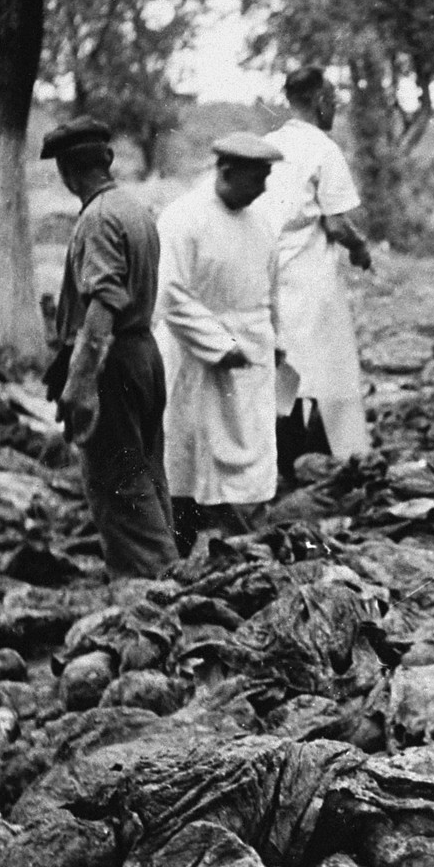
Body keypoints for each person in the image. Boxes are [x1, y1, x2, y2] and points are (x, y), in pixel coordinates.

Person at [39, 116, 178, 580]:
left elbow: (104, 303)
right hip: (142, 356)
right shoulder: (134, 209)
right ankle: (164, 577)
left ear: (67, 171)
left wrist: (80, 384)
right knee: (145, 477)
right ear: (107, 162)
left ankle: (155, 592)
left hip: (112, 364)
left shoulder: (98, 219)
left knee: (120, 488)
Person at [156, 133, 287, 554]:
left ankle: (247, 547)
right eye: (257, 178)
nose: (264, 188)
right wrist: (219, 343)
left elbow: (270, 289)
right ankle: (179, 548)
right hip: (197, 355)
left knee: (250, 458)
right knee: (188, 457)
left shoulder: (262, 222)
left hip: (250, 356)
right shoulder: (182, 218)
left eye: (267, 177)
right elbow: (171, 293)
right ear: (226, 172)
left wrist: (273, 338)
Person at [258, 68, 373, 464]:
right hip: (308, 274)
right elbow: (337, 222)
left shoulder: (268, 145)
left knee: (283, 361)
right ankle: (328, 451)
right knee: (329, 364)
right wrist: (360, 249)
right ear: (322, 101)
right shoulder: (323, 149)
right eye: (333, 103)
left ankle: (285, 451)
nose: (334, 111)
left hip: (270, 270)